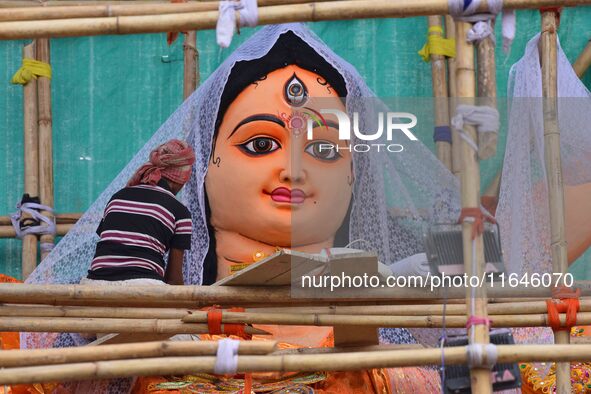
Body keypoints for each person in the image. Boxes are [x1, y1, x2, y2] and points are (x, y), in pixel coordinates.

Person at [84, 139, 195, 286]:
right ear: (181, 178)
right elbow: (173, 279)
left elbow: (108, 249)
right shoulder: (180, 211)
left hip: (95, 286)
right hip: (144, 288)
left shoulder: (118, 197)